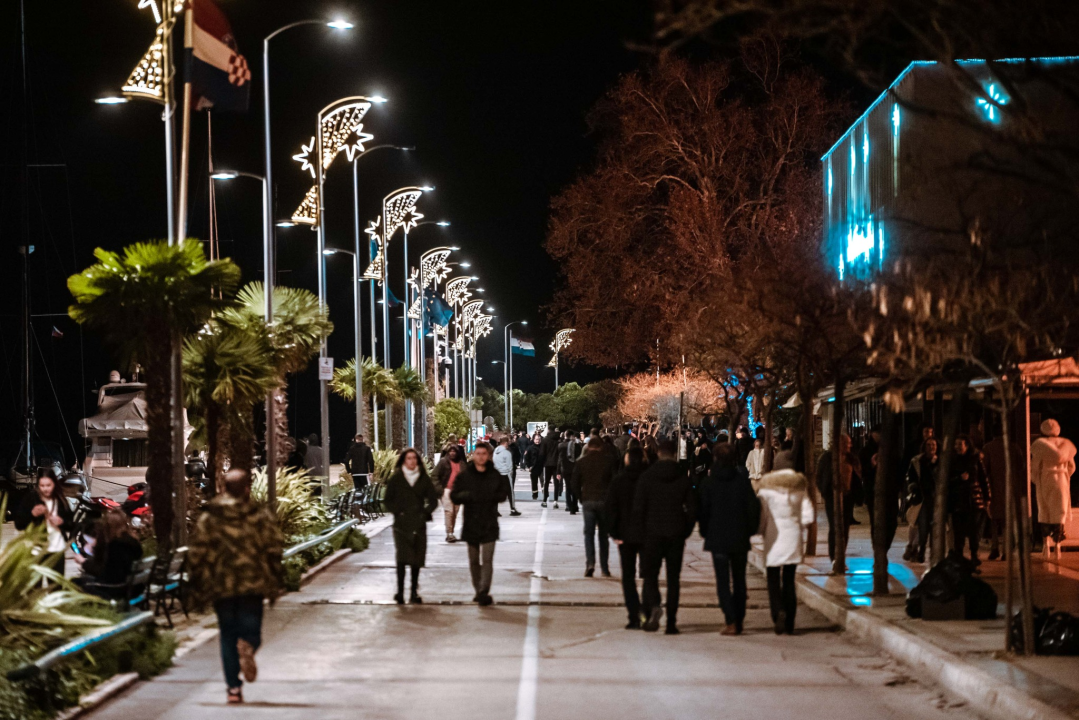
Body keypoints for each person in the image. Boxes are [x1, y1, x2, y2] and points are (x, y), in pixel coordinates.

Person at [189, 469, 284, 705]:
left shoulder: (210, 518)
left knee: (227, 636)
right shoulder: (259, 515)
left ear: (224, 488)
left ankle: (233, 688)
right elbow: (274, 548)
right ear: (246, 489)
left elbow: (197, 554)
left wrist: (197, 585)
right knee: (252, 631)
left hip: (221, 586)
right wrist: (275, 579)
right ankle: (249, 645)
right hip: (253, 585)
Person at [632, 439, 697, 634]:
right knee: (673, 578)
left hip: (652, 533)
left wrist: (640, 532)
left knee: (651, 575)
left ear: (658, 453)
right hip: (675, 532)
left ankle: (654, 606)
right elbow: (693, 509)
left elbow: (638, 508)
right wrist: (685, 529)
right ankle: (671, 622)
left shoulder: (647, 477)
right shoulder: (683, 478)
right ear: (674, 454)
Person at [698, 443, 760, 636]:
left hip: (718, 539)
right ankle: (738, 618)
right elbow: (753, 509)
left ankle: (730, 619)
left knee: (723, 581)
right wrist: (749, 530)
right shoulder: (742, 482)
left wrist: (705, 531)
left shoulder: (708, 483)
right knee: (740, 580)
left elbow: (702, 512)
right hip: (739, 538)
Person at [757, 453, 815, 635]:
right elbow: (809, 515)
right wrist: (799, 524)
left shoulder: (765, 489)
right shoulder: (799, 488)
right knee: (789, 580)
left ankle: (777, 613)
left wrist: (760, 530)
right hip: (792, 537)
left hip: (773, 538)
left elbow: (762, 516)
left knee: (773, 580)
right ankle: (790, 621)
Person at [450, 442, 509, 605]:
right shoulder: (465, 476)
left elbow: (503, 494)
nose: (481, 456)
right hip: (471, 522)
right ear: (473, 455)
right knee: (474, 560)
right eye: (478, 453)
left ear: (488, 456)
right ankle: (478, 590)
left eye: (484, 454)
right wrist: (469, 496)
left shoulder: (494, 475)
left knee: (488, 559)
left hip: (489, 522)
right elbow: (455, 495)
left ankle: (484, 590)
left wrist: (490, 496)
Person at [383, 448, 441, 604]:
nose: (412, 461)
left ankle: (414, 591)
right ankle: (400, 592)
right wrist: (397, 512)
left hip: (419, 523)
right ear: (404, 460)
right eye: (408, 458)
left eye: (414, 458)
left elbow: (433, 500)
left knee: (416, 559)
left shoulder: (423, 478)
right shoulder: (397, 478)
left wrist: (424, 513)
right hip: (401, 525)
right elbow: (388, 500)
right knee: (402, 558)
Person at [606, 447, 646, 628]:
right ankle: (647, 609)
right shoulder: (649, 479)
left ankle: (634, 615)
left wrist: (614, 532)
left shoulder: (619, 481)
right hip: (647, 533)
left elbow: (611, 509)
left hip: (625, 534)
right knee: (648, 576)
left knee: (628, 576)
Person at [15, 469, 74, 577]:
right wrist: (32, 514)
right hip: (36, 550)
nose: (45, 489)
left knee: (56, 587)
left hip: (57, 549)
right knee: (36, 589)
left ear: (54, 484)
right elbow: (19, 524)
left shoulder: (60, 500)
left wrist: (61, 522)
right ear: (38, 485)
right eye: (42, 485)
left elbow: (71, 525)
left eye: (48, 485)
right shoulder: (31, 499)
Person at [74, 508, 143, 598]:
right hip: (135, 588)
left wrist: (83, 562)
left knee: (75, 583)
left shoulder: (116, 546)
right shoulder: (134, 542)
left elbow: (108, 575)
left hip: (117, 590)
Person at [571, 440, 615, 577]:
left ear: (588, 447)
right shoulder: (609, 461)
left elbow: (574, 483)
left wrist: (580, 498)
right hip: (603, 501)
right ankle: (605, 567)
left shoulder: (581, 462)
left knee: (589, 534)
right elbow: (614, 482)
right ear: (601, 447)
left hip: (588, 500)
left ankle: (590, 563)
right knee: (603, 536)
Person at [1029, 419, 1075, 551]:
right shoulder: (1066, 445)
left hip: (1045, 479)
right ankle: (1058, 545)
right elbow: (1072, 466)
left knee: (1045, 510)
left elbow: (1035, 467)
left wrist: (1036, 480)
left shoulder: (1039, 445)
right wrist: (1065, 476)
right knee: (1059, 512)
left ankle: (1045, 545)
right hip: (1062, 480)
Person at [947, 435, 990, 565]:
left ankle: (974, 554)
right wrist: (959, 478)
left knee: (974, 530)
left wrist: (987, 497)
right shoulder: (952, 461)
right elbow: (946, 480)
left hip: (974, 499)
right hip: (957, 500)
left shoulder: (976, 460)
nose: (958, 447)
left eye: (960, 444)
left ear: (967, 445)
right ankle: (959, 555)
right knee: (958, 530)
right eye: (956, 445)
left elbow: (983, 479)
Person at [818, 434, 860, 563]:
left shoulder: (851, 458)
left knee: (845, 527)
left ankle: (840, 556)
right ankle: (834, 557)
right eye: (847, 443)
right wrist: (825, 492)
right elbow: (819, 477)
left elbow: (857, 477)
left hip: (847, 497)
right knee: (835, 527)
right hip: (832, 496)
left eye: (849, 443)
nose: (849, 445)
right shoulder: (827, 458)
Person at [982, 430, 1022, 560]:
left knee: (994, 519)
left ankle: (995, 548)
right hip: (1011, 487)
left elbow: (984, 468)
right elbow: (1021, 465)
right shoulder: (1014, 447)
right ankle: (1006, 550)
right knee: (1007, 521)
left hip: (994, 486)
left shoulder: (988, 447)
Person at [903, 438, 938, 563]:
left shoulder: (939, 461)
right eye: (928, 445)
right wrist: (913, 486)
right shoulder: (917, 461)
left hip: (935, 498)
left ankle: (922, 550)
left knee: (934, 527)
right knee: (921, 526)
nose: (931, 447)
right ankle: (920, 549)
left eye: (933, 444)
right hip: (922, 498)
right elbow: (911, 477)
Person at [432, 444, 465, 542]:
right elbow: (435, 475)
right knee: (449, 511)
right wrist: (439, 489)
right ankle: (449, 533)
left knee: (455, 512)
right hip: (446, 490)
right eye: (450, 451)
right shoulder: (443, 462)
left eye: (454, 451)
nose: (452, 453)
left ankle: (451, 531)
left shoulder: (462, 464)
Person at [492, 436, 522, 516]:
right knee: (510, 492)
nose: (508, 444)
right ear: (505, 443)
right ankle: (512, 509)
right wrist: (511, 473)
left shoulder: (495, 451)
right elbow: (510, 466)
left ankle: (495, 510)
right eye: (508, 442)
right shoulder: (507, 453)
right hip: (505, 474)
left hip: (497, 474)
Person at [559, 430, 583, 514]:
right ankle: (575, 506)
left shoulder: (561, 445)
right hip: (575, 469)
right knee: (575, 487)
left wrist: (558, 471)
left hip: (565, 469)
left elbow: (559, 460)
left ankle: (568, 505)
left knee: (568, 488)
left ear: (565, 435)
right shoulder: (577, 446)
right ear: (572, 436)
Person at [540, 427, 562, 508]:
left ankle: (545, 500)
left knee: (546, 482)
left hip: (547, 463)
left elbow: (542, 453)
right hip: (556, 464)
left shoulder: (545, 440)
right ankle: (555, 501)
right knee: (556, 483)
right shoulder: (558, 440)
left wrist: (541, 463)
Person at [524, 434, 543, 500]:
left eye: (539, 439)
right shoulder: (530, 448)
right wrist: (529, 466)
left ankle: (545, 493)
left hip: (541, 467)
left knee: (543, 481)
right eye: (536, 439)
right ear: (533, 439)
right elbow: (526, 458)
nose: (538, 441)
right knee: (534, 482)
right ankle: (535, 495)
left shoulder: (543, 447)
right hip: (533, 467)